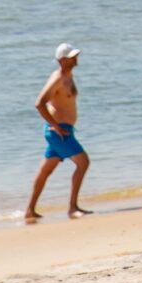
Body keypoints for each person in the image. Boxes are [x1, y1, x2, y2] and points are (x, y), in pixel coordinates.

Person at [25, 44, 90, 223]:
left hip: (62, 130)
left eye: (76, 55)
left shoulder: (68, 76)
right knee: (83, 162)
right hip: (59, 131)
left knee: (46, 170)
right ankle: (72, 208)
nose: (76, 59)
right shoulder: (58, 78)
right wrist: (54, 125)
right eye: (71, 57)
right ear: (62, 60)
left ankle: (30, 210)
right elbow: (39, 103)